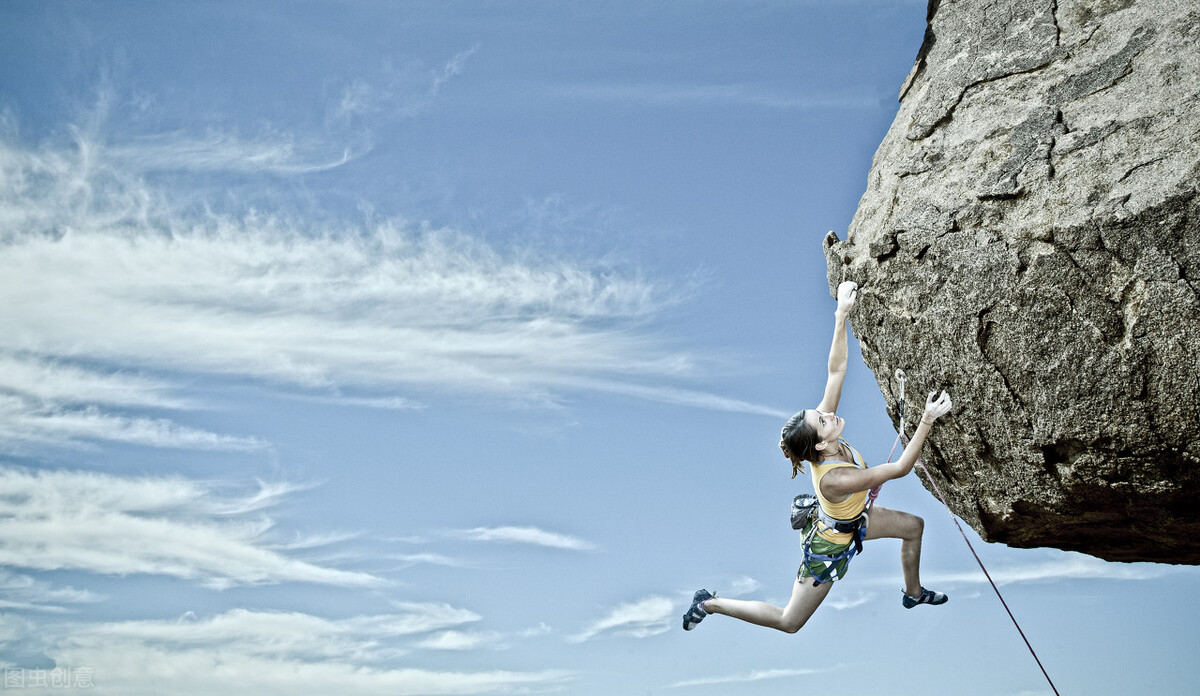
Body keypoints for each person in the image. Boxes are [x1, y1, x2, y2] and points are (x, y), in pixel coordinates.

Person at [683, 280, 953, 634]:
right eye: (822, 420)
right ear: (821, 446)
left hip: (855, 519)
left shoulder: (823, 437)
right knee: (789, 622)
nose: (829, 414)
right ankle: (708, 603)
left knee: (914, 526)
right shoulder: (835, 479)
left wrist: (841, 314)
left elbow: (835, 371)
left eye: (822, 413)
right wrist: (927, 419)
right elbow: (901, 468)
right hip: (829, 545)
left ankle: (913, 594)